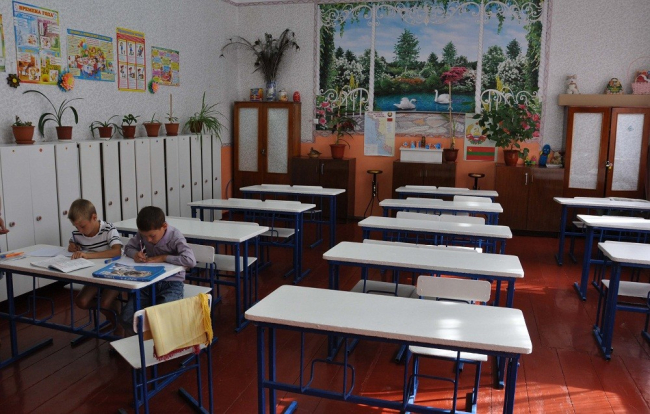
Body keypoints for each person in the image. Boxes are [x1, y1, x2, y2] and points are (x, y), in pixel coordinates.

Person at [121, 206, 196, 335]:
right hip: (148, 282)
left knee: (162, 318)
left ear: (164, 226)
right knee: (127, 318)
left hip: (172, 284)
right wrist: (135, 254)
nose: (148, 240)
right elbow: (128, 248)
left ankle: (159, 339)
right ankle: (146, 339)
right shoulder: (144, 234)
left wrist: (164, 257)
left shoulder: (175, 236)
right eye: (145, 236)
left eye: (152, 236)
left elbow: (190, 260)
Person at [67, 199, 123, 332]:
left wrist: (88, 255)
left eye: (82, 226)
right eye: (76, 227)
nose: (80, 230)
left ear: (94, 217)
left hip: (114, 273)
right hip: (93, 275)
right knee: (82, 301)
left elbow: (116, 251)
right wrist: (72, 246)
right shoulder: (77, 234)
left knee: (104, 303)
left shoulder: (108, 229)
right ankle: (117, 317)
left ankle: (119, 326)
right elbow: (72, 245)